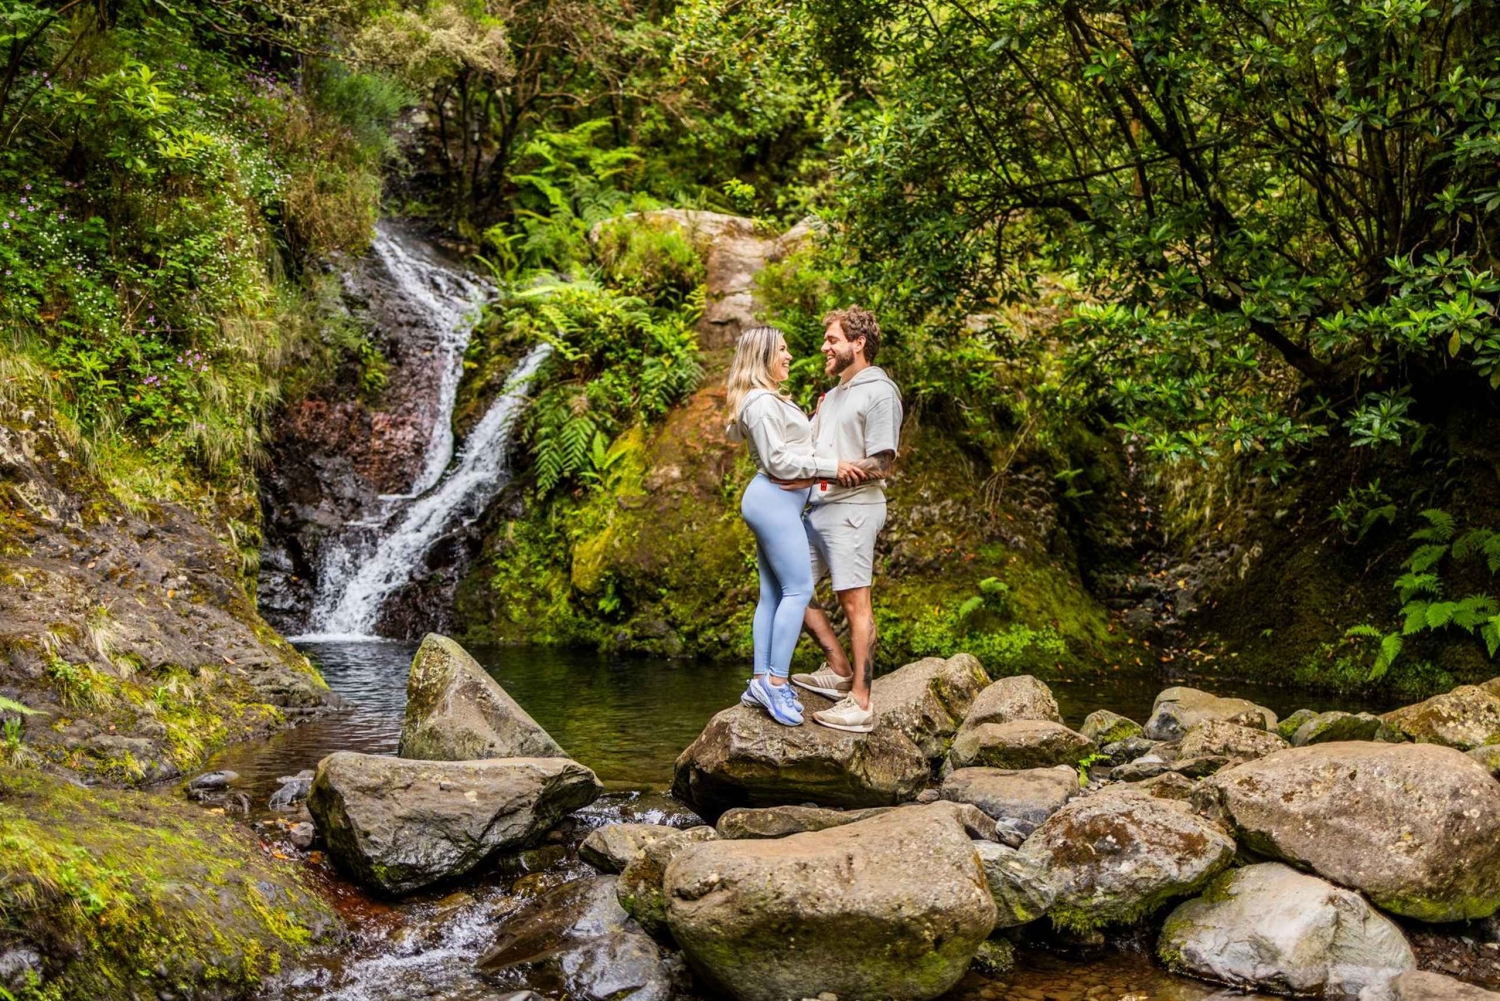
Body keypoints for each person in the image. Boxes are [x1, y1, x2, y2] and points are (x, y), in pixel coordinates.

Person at [724, 326, 868, 726]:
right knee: (798, 589)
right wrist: (832, 468)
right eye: (782, 350)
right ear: (763, 356)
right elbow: (778, 462)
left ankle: (759, 680)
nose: (789, 356)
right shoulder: (761, 402)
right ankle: (776, 682)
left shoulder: (764, 400)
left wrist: (816, 418)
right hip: (774, 500)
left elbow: (786, 449)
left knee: (772, 593)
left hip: (775, 500)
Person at [788, 306, 903, 733]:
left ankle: (860, 702)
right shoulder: (834, 394)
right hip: (817, 508)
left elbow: (883, 460)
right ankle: (837, 667)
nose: (824, 347)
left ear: (858, 343)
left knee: (855, 603)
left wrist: (844, 467)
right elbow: (810, 450)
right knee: (788, 581)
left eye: (833, 339)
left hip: (854, 508)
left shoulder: (880, 391)